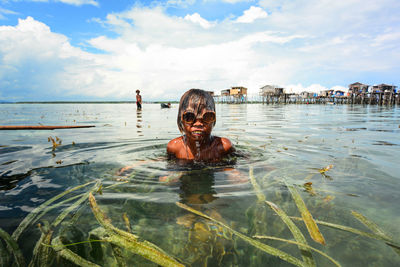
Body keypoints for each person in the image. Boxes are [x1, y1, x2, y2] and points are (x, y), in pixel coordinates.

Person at [167, 88, 233, 162]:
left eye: (207, 117)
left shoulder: (222, 146)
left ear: (214, 120)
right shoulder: (175, 147)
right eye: (189, 117)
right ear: (181, 119)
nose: (198, 124)